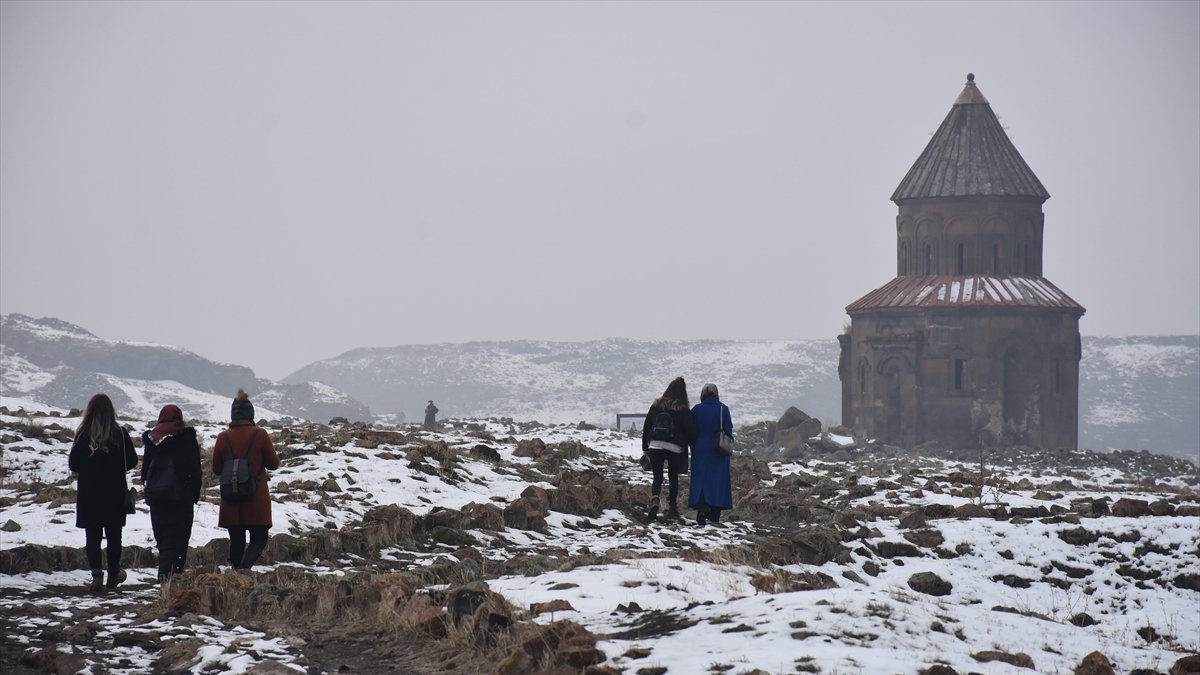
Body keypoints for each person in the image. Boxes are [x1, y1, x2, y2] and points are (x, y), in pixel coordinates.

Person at [68, 393, 138, 591]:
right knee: (115, 535)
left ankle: (96, 576)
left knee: (93, 536)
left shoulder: (83, 434)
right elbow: (132, 461)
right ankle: (113, 573)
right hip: (114, 494)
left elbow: (73, 463)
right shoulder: (120, 434)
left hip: (89, 495)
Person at [211, 389, 280, 570]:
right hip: (255, 498)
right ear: (251, 414)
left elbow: (216, 469)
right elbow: (273, 464)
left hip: (231, 500)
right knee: (259, 539)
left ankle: (235, 576)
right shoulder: (260, 435)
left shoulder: (222, 437)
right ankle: (243, 571)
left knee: (237, 541)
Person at [141, 404, 202, 582]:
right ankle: (173, 577)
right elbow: (194, 470)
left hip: (158, 498)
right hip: (181, 498)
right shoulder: (186, 438)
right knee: (179, 540)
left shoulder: (152, 439)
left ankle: (165, 577)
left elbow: (145, 472)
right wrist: (194, 494)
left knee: (163, 540)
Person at [640, 377, 698, 523]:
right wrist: (692, 446)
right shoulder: (683, 408)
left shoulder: (657, 404)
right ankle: (672, 508)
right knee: (673, 477)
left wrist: (645, 447)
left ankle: (655, 500)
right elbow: (690, 430)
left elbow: (647, 426)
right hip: (675, 448)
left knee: (657, 476)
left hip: (656, 444)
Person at [689, 383, 734, 527]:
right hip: (718, 449)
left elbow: (691, 429)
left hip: (700, 450)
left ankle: (701, 509)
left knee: (701, 479)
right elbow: (728, 431)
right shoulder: (723, 409)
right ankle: (715, 514)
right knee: (717, 481)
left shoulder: (696, 410)